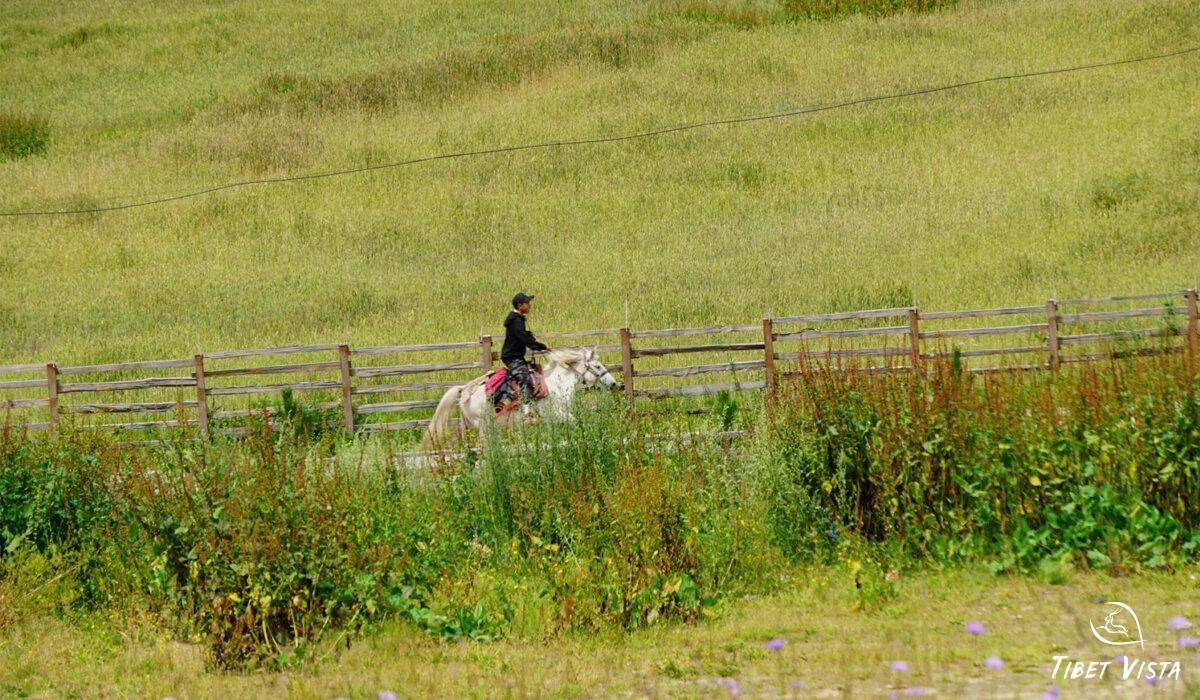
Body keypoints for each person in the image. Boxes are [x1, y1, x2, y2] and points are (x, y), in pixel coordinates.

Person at [501, 292, 549, 419]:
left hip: (515, 355)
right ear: (520, 305)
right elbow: (522, 339)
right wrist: (540, 346)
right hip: (512, 356)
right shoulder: (517, 320)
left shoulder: (517, 319)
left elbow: (519, 335)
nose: (529, 306)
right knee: (525, 379)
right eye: (527, 303)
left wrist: (527, 334)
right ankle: (526, 412)